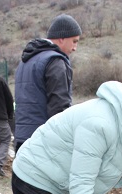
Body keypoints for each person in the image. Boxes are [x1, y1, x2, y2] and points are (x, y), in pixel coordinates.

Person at [14, 13, 82, 152]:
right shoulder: (55, 62)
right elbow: (59, 108)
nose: (75, 48)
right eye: (74, 41)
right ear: (62, 38)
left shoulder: (26, 61)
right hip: (43, 142)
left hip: (22, 138)